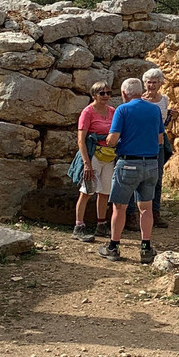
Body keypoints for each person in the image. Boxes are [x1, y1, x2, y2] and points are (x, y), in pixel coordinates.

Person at [99, 78, 164, 263]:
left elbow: (113, 139)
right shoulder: (154, 110)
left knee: (119, 207)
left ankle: (113, 246)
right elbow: (160, 139)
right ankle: (146, 248)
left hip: (128, 163)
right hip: (151, 164)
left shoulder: (123, 110)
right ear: (141, 91)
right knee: (146, 208)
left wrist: (111, 141)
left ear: (124, 93)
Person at [125, 68, 175, 230]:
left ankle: (155, 212)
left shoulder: (164, 100)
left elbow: (162, 124)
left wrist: (170, 116)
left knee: (157, 179)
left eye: (155, 82)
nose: (151, 85)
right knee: (135, 179)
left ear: (160, 83)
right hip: (141, 142)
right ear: (144, 84)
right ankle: (132, 215)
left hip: (158, 143)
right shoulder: (140, 100)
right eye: (148, 82)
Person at [72, 81, 116, 242]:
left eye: (108, 93)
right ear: (94, 95)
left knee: (105, 191)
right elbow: (81, 140)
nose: (106, 96)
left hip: (108, 155)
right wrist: (86, 163)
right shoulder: (87, 112)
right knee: (87, 191)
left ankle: (101, 224)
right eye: (102, 93)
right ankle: (78, 226)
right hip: (93, 155)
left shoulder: (112, 111)